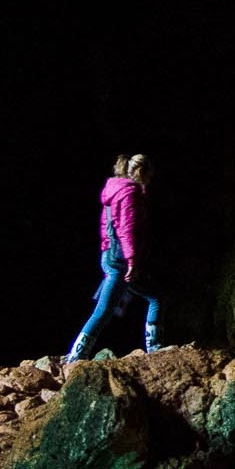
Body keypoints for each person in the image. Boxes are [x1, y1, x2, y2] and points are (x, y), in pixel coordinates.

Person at [65, 153, 165, 364]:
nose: (151, 179)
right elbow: (127, 229)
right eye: (149, 174)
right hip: (120, 260)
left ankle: (155, 348)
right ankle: (77, 355)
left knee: (154, 296)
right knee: (104, 310)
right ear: (142, 173)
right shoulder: (129, 194)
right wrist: (131, 260)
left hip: (111, 255)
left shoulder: (117, 190)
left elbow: (111, 226)